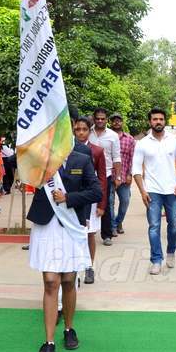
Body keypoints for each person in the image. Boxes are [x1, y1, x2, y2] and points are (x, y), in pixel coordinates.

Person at [27, 146, 101, 352]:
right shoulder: (41, 158)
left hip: (70, 224)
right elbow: (18, 167)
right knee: (50, 282)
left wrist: (69, 197)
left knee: (68, 281)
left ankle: (69, 329)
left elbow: (96, 192)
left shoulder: (82, 159)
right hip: (46, 225)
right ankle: (48, 342)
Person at [131, 108, 176, 274]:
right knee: (154, 226)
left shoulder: (175, 141)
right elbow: (136, 170)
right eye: (155, 119)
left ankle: (170, 251)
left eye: (161, 119)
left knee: (174, 225)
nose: (158, 122)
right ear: (150, 122)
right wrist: (142, 191)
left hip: (172, 190)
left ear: (165, 121)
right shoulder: (142, 143)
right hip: (152, 191)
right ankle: (156, 260)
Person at [73, 116, 108, 285]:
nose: (81, 133)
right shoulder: (67, 149)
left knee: (90, 234)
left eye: (84, 129)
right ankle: (73, 267)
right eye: (78, 129)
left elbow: (102, 178)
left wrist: (101, 204)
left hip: (91, 198)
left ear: (90, 131)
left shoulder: (97, 151)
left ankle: (89, 267)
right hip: (72, 198)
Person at [89, 108, 122, 246]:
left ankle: (107, 234)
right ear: (94, 119)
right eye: (98, 118)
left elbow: (116, 157)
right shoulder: (87, 132)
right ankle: (86, 231)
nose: (100, 121)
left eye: (103, 118)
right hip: (87, 175)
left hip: (106, 174)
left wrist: (118, 176)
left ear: (106, 120)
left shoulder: (113, 136)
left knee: (106, 204)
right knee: (87, 203)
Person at [109, 113, 135, 235]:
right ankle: (113, 226)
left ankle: (118, 221)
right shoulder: (107, 137)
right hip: (109, 176)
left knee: (125, 201)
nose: (116, 122)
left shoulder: (129, 139)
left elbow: (133, 158)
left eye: (119, 120)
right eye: (114, 120)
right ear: (111, 122)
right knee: (109, 203)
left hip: (124, 176)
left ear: (122, 122)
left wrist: (130, 174)